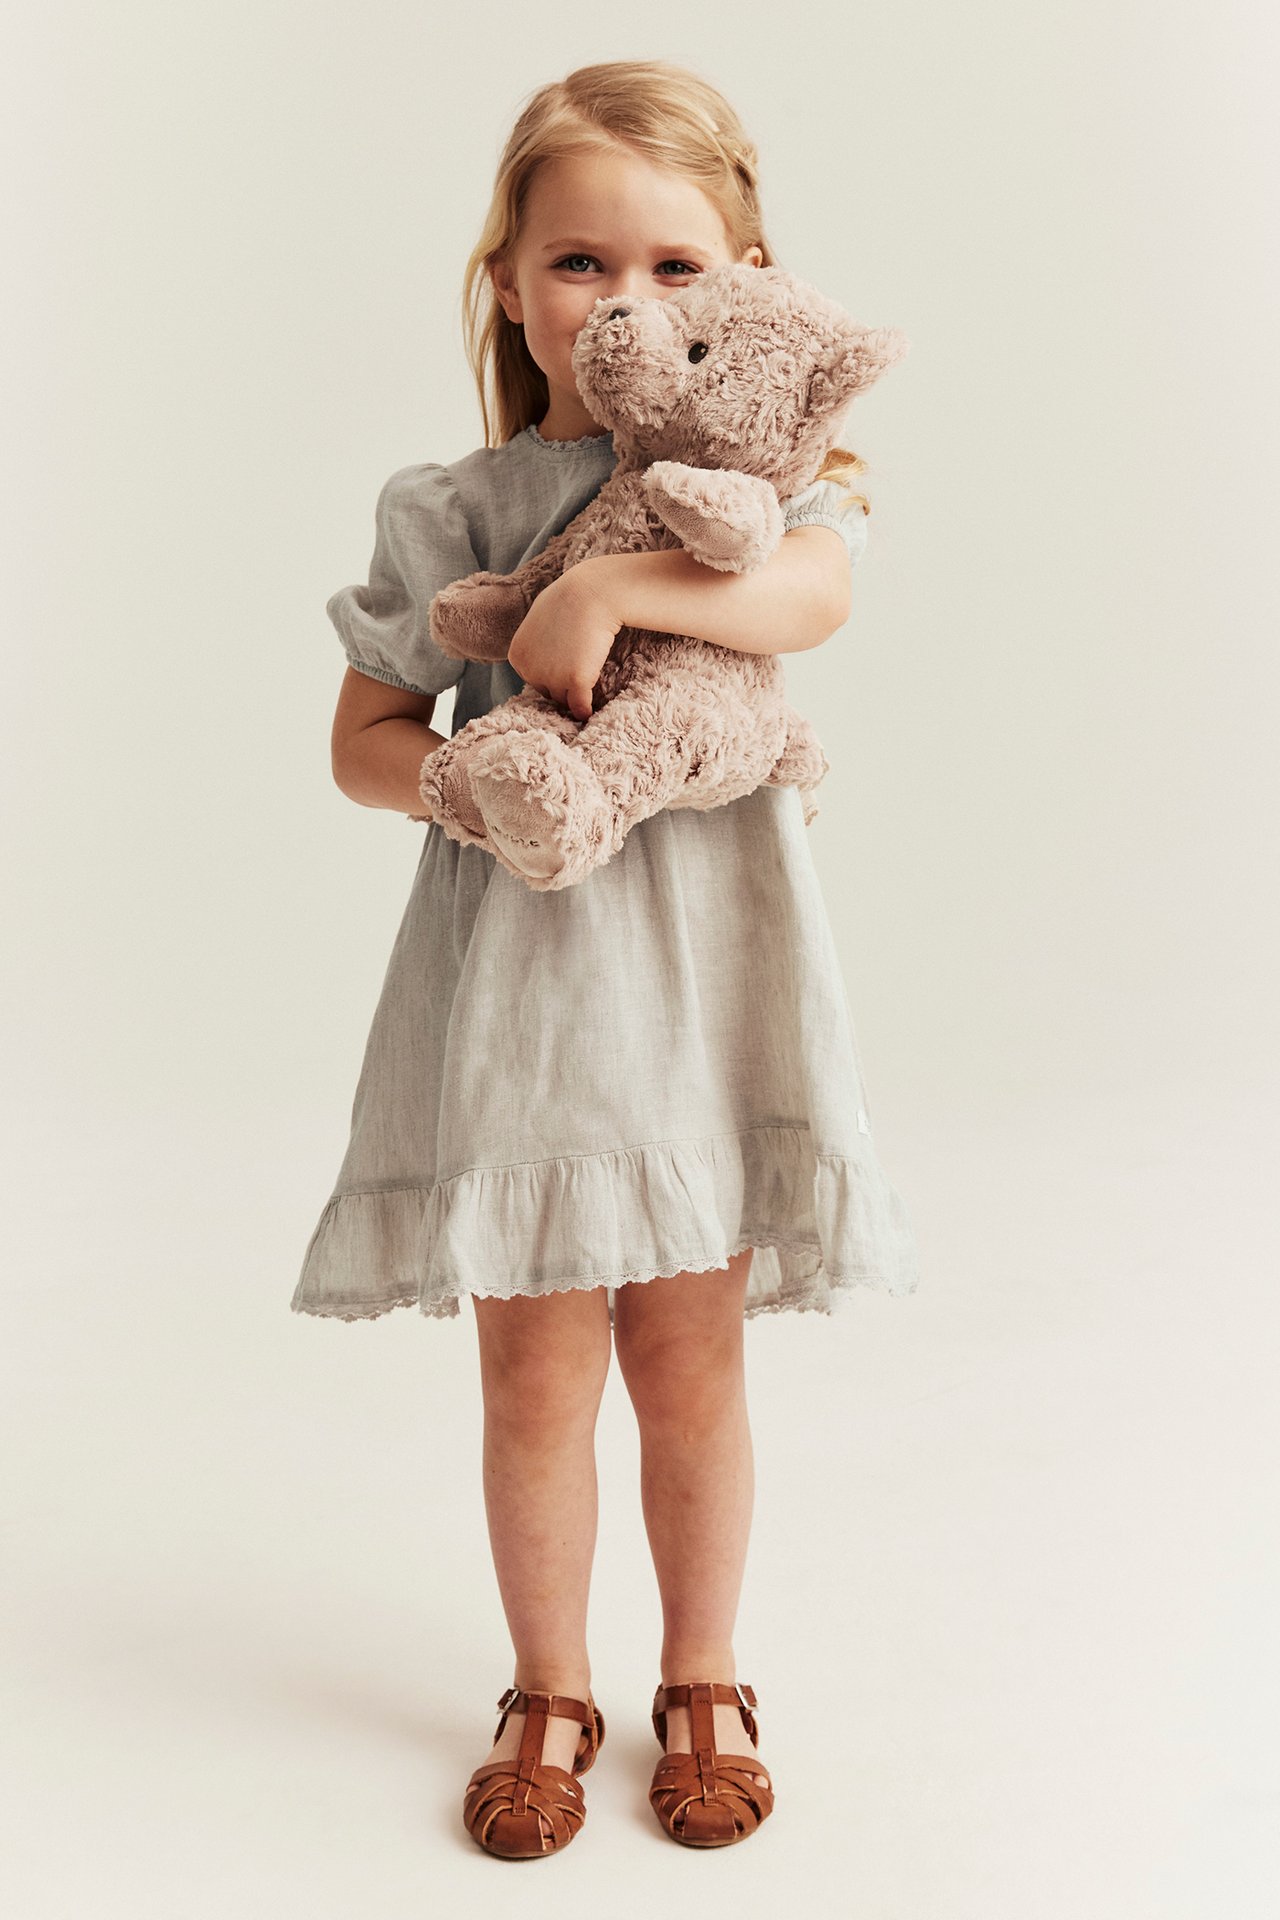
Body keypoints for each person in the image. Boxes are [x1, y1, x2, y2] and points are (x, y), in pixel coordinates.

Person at [293, 59, 919, 1859]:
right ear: (507, 277)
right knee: (533, 1370)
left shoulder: (776, 477)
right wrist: (471, 787)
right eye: (580, 264)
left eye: (672, 269)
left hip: (708, 979)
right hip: (534, 980)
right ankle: (548, 1684)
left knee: (693, 1353)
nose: (625, 307)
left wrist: (610, 591)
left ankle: (704, 1674)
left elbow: (810, 601)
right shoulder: (458, 504)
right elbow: (360, 737)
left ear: (746, 282)